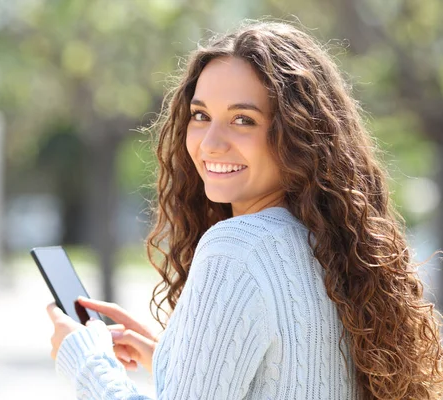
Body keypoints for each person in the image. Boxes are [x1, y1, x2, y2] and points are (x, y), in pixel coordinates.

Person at [45, 20, 443, 399]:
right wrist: (171, 358)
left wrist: (87, 362)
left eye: (243, 119)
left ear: (298, 134)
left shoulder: (237, 247)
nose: (211, 143)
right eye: (200, 116)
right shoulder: (333, 246)